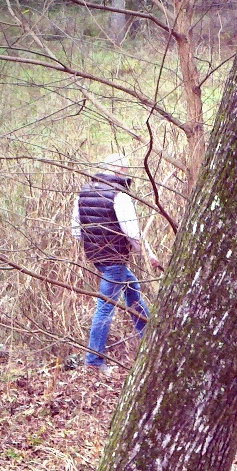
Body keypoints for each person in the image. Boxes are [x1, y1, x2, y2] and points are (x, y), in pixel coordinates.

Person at [71, 153, 164, 374]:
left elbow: (76, 231)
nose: (126, 174)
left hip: (96, 257)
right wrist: (149, 255)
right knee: (105, 307)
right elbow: (132, 233)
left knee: (132, 288)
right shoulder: (119, 196)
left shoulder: (84, 192)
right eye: (125, 170)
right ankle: (94, 361)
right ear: (119, 171)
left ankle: (150, 340)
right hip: (115, 258)